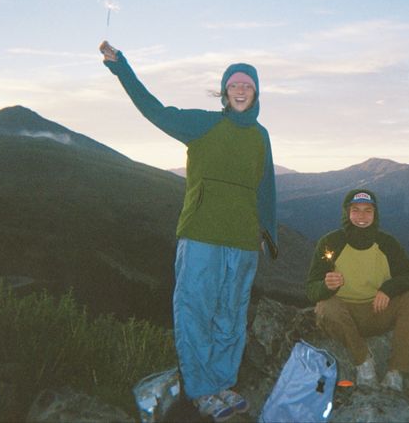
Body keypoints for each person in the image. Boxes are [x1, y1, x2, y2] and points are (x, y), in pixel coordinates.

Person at [99, 41, 277, 422]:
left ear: (257, 92)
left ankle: (221, 383)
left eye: (248, 84)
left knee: (231, 314)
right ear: (225, 92)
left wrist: (266, 234)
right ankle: (200, 391)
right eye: (234, 84)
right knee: (195, 311)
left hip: (243, 241)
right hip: (201, 235)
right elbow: (155, 111)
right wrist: (122, 69)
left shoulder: (261, 136)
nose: (241, 90)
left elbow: (266, 187)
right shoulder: (203, 123)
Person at [306, 189, 409, 391]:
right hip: (346, 316)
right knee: (325, 306)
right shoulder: (330, 243)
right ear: (346, 213)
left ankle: (396, 372)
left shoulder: (387, 244)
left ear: (375, 214)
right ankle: (364, 363)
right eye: (355, 210)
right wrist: (325, 286)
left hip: (378, 311)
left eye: (368, 210)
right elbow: (311, 289)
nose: (361, 216)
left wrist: (388, 288)